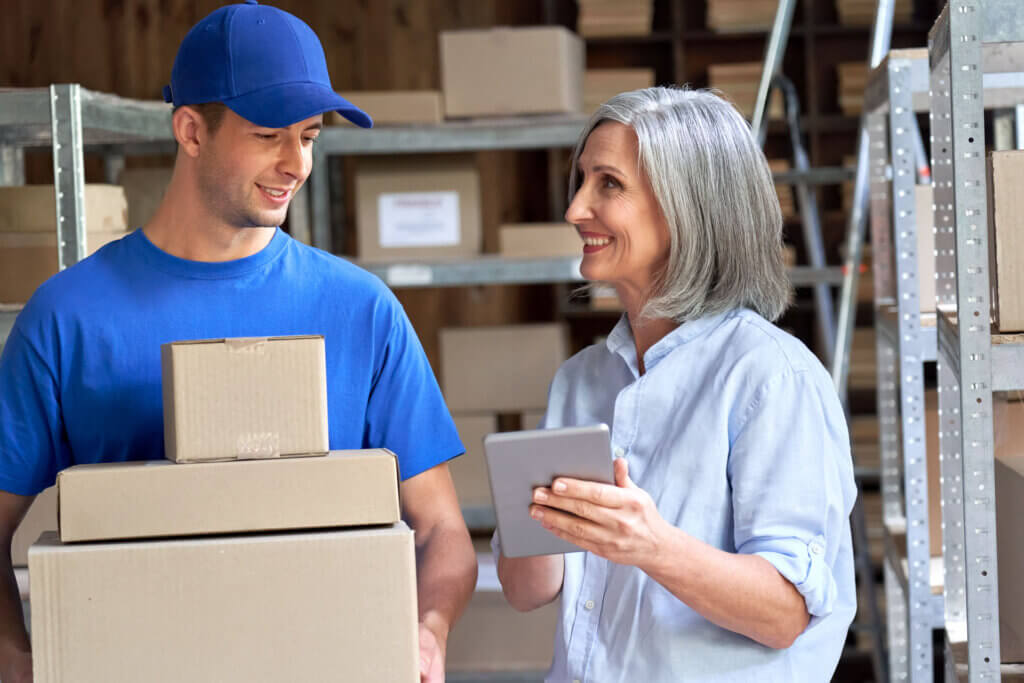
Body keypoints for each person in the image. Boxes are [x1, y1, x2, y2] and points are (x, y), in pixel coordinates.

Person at [0, 3, 476, 682]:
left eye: (310, 136)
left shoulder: (359, 311)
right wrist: (13, 654)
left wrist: (428, 631)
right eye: (269, 135)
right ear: (191, 131)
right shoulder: (67, 318)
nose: (297, 163)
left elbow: (443, 533)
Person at [496, 87, 857, 682]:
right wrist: (533, 523)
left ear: (686, 207)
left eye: (608, 184)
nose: (576, 209)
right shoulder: (582, 380)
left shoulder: (771, 379)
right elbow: (526, 591)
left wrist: (649, 544)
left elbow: (785, 613)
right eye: (582, 180)